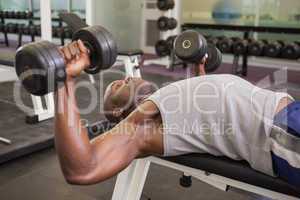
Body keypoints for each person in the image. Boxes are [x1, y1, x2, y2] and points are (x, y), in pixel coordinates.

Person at [55, 40, 300, 187]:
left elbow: (207, 113)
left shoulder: (162, 102)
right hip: (281, 131)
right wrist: (64, 80)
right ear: (118, 111)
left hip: (287, 114)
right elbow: (81, 169)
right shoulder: (140, 125)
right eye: (117, 86)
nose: (127, 76)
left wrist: (200, 73)